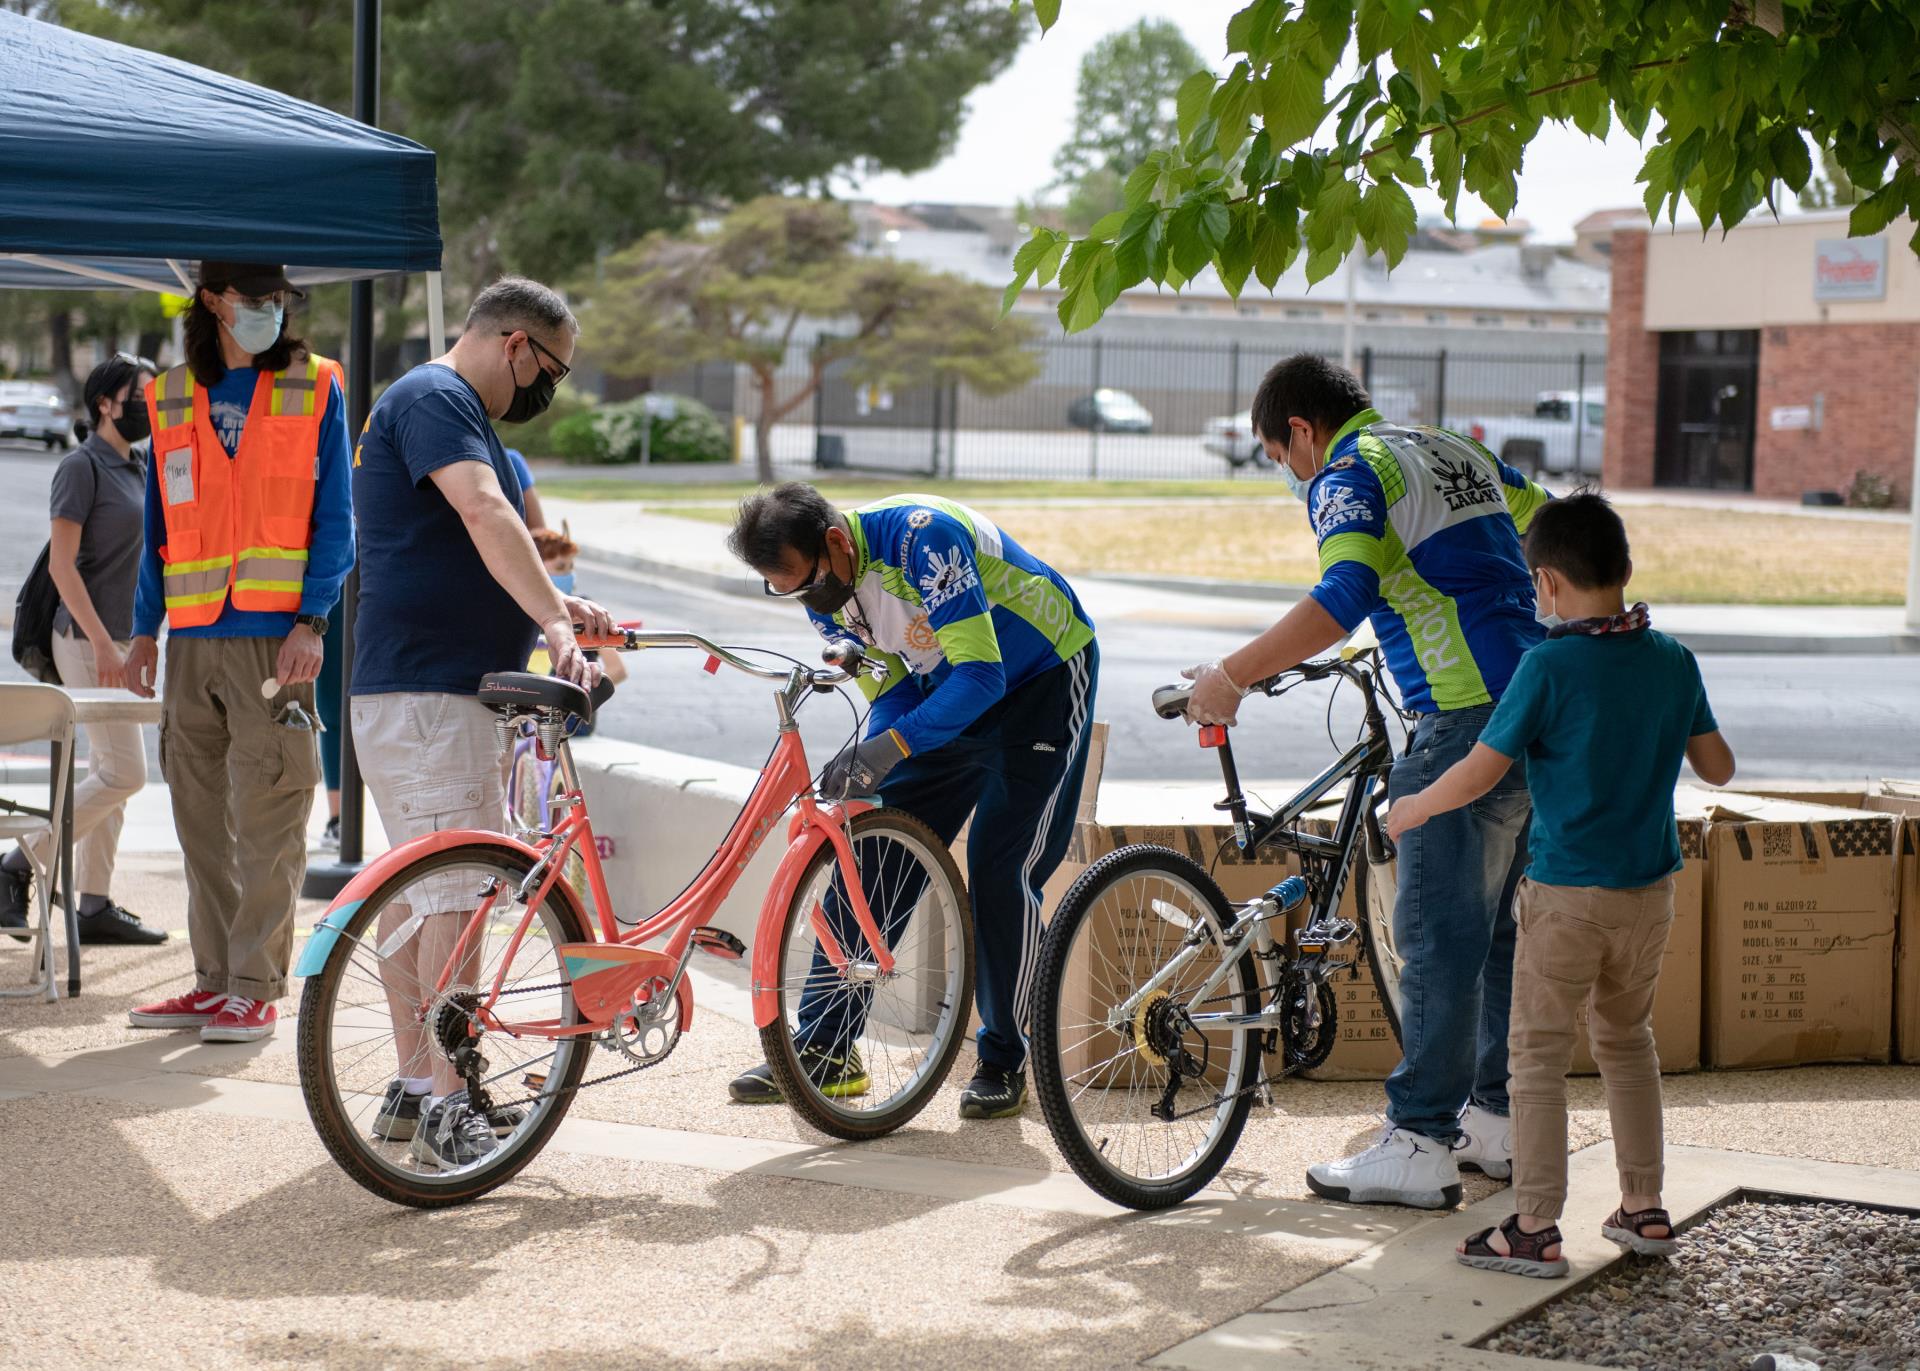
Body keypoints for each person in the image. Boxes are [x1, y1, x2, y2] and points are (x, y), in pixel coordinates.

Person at [1180, 353, 1551, 1209]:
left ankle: (1419, 1138)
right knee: (1493, 933)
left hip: (1459, 722)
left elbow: (1341, 593)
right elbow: (1548, 524)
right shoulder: (1453, 445)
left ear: (1301, 430)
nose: (1291, 475)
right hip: (1534, 707)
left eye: (1282, 458)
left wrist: (1230, 676)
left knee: (1434, 939)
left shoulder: (1350, 472)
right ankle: (1494, 1123)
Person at [1384, 491, 1736, 1275]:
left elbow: (1480, 771)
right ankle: (1644, 1207)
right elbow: (1719, 766)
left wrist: (1414, 805)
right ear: (1627, 570)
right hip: (1650, 893)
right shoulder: (1673, 659)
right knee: (1627, 1042)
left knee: (1536, 1058)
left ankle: (1535, 1225)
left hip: (1566, 897)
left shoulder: (1546, 665)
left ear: (1543, 583)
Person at [723, 483, 1098, 1120]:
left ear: (836, 542)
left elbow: (985, 674)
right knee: (871, 854)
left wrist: (891, 746)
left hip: (1040, 682)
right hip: (945, 690)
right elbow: (892, 684)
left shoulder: (924, 537)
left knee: (1000, 868)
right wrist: (876, 752)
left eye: (802, 579)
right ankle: (826, 1049)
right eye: (782, 587)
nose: (804, 599)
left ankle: (1005, 1059)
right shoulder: (824, 592)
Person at [349, 277, 613, 1171]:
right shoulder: (435, 396)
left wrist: (567, 606)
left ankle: (415, 1085)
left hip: (418, 690)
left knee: (421, 899)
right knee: (456, 902)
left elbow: (470, 548)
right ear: (515, 345)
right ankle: (449, 1099)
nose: (549, 392)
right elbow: (485, 512)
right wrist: (552, 624)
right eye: (553, 371)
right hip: (432, 694)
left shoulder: (447, 408)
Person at [123, 263, 352, 1043]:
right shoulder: (170, 394)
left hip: (277, 639)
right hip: (190, 637)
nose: (269, 312)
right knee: (197, 816)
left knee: (274, 808)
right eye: (255, 301)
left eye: (276, 301)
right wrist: (141, 630)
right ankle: (213, 980)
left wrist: (311, 623)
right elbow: (158, 527)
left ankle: (255, 986)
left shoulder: (315, 386)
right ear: (214, 303)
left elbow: (336, 520)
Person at [0, 354, 166, 945]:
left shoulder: (141, 466)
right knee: (125, 773)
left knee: (107, 772)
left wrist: (140, 640)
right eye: (139, 395)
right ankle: (17, 863)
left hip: (124, 636)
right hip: (83, 637)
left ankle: (93, 903)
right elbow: (64, 568)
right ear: (105, 403)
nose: (149, 404)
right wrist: (102, 645)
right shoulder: (80, 467)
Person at [313, 451, 546, 852]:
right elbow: (482, 512)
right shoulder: (424, 431)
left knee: (419, 882)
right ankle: (337, 818)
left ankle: (341, 822)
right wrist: (554, 616)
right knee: (451, 888)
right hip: (429, 683)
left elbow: (533, 536)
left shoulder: (502, 459)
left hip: (441, 681)